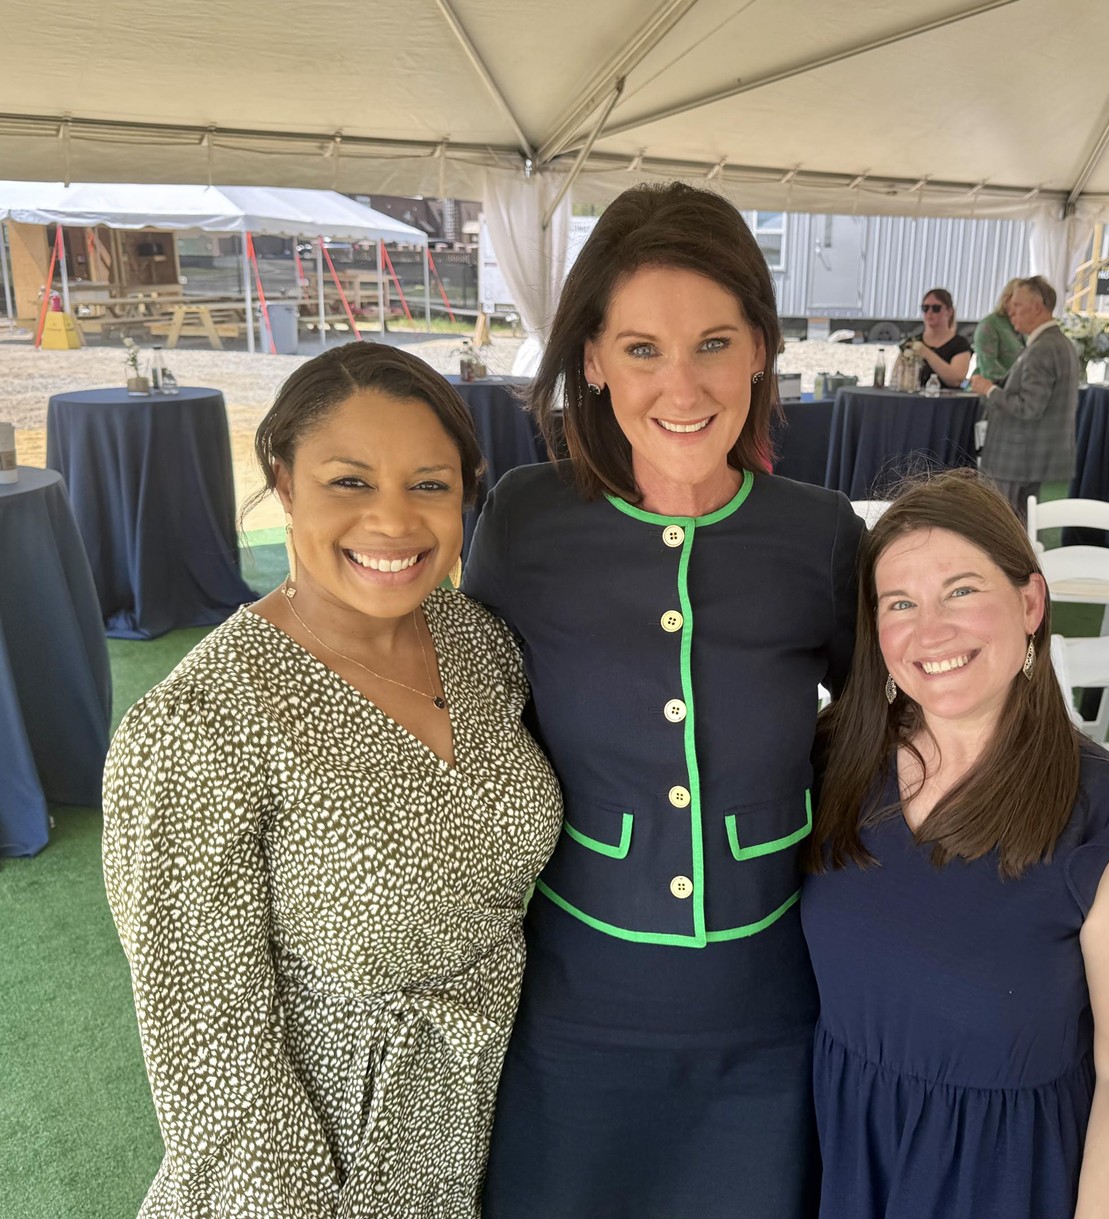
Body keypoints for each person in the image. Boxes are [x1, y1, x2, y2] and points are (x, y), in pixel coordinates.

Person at [464, 181, 865, 1219]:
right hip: (572, 1019)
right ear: (590, 359)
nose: (680, 384)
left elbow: (892, 729)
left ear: (763, 350)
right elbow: (459, 720)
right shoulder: (523, 520)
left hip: (772, 1019)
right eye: (641, 348)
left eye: (715, 343)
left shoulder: (819, 535)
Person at [102, 343, 562, 1218]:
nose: (393, 522)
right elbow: (219, 1070)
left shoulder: (476, 641)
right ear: (283, 480)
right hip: (333, 1174)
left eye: (428, 484)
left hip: (506, 1135)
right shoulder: (201, 728)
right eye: (350, 482)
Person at [801, 468, 1109, 1219]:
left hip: (1001, 1184)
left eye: (962, 590)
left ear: (1031, 602)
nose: (930, 631)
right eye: (900, 603)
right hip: (841, 1164)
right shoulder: (832, 767)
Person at [969, 274, 1080, 517]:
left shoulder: (1043, 348)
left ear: (1037, 307)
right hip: (1038, 459)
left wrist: (989, 389)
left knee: (1004, 533)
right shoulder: (1060, 344)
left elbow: (1029, 407)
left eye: (1017, 305)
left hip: (1018, 461)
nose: (1011, 311)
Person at [908, 287, 972, 388]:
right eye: (925, 308)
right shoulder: (912, 342)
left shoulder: (960, 344)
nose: (929, 312)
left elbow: (956, 379)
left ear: (949, 311)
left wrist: (927, 354)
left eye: (936, 308)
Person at [972, 277, 1025, 385]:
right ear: (1007, 299)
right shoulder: (989, 325)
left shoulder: (1025, 324)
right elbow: (989, 369)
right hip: (993, 393)